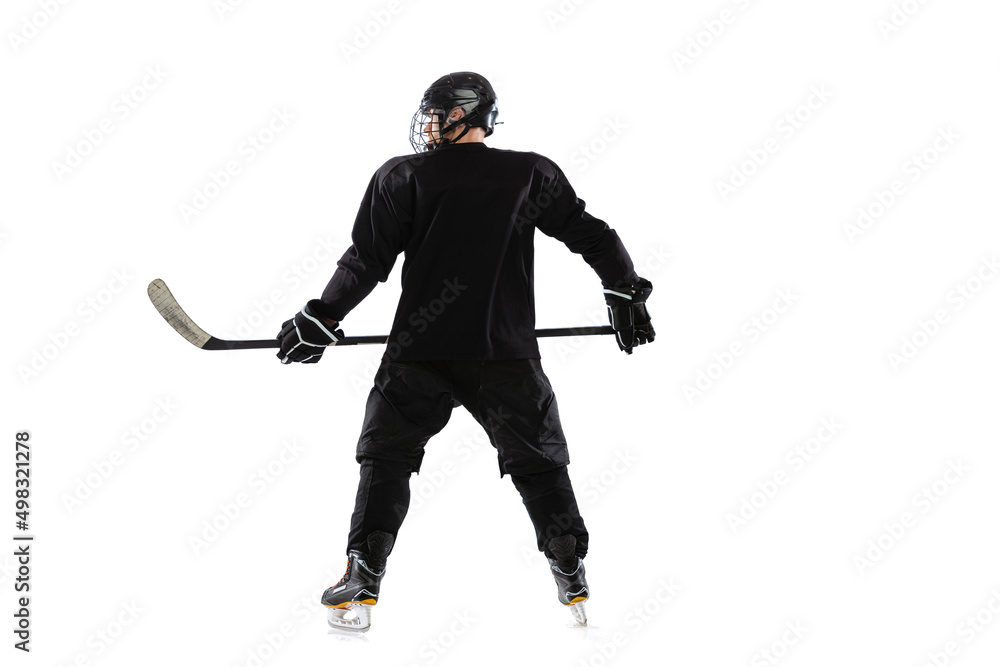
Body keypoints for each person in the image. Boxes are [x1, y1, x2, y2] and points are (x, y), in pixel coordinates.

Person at [276, 71, 654, 633]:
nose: (428, 123)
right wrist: (623, 289)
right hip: (502, 354)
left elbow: (365, 262)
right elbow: (591, 235)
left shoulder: (406, 176)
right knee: (532, 461)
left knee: (388, 459)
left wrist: (324, 316)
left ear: (468, 116)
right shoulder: (527, 173)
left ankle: (369, 574)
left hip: (420, 354)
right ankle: (565, 568)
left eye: (438, 113)